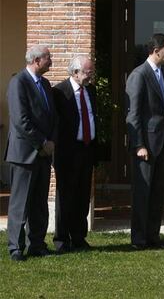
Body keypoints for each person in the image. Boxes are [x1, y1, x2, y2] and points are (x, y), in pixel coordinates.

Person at [4, 45, 57, 261]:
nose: (51, 61)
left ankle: (37, 243)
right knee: (20, 202)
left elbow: (52, 116)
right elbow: (20, 120)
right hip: (24, 153)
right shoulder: (19, 82)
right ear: (36, 60)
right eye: (48, 58)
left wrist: (50, 141)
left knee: (39, 203)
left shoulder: (44, 84)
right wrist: (42, 142)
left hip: (43, 154)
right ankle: (16, 248)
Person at [126, 33, 164, 250]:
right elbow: (133, 114)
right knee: (142, 193)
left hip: (162, 143)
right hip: (145, 146)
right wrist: (138, 144)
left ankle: (153, 236)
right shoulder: (139, 75)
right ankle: (139, 239)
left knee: (157, 193)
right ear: (156, 51)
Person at [53, 56, 98, 253]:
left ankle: (79, 237)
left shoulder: (91, 90)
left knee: (82, 196)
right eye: (87, 73)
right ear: (75, 72)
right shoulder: (59, 92)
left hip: (87, 149)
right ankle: (62, 240)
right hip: (67, 152)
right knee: (65, 197)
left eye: (91, 72)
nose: (90, 76)